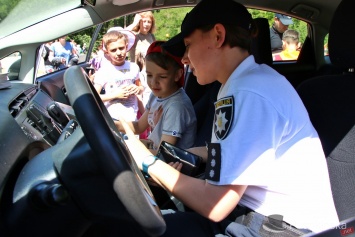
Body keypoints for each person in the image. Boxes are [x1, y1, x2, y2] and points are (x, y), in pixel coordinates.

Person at [118, 0, 339, 236]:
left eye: (188, 45)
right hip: (258, 217)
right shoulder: (244, 82)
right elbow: (235, 153)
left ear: (218, 36)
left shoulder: (248, 92)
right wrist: (193, 153)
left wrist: (145, 160)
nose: (183, 59)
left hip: (283, 228)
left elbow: (215, 204)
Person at [115, 41, 196, 152]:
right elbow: (139, 126)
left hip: (168, 164)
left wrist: (129, 148)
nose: (153, 83)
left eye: (162, 77)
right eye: (149, 75)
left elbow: (163, 153)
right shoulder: (156, 95)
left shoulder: (176, 107)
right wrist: (113, 125)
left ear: (177, 75)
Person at [93, 27, 144, 122]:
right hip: (113, 120)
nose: (119, 53)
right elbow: (94, 98)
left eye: (121, 48)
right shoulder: (103, 71)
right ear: (107, 52)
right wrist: (115, 95)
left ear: (126, 46)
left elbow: (140, 88)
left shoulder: (134, 67)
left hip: (133, 119)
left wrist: (137, 89)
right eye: (113, 50)